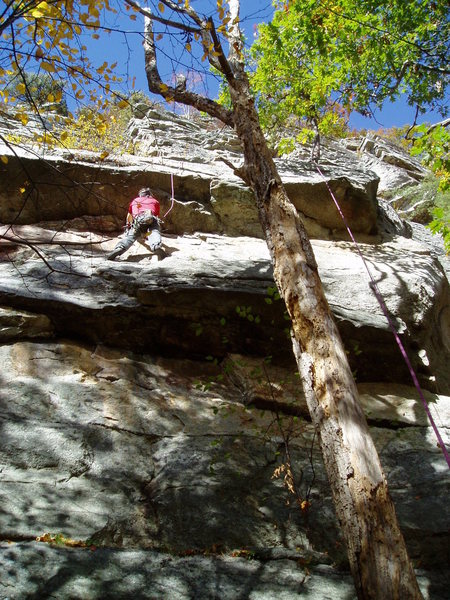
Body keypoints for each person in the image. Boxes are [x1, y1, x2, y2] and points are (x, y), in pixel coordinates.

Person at [107, 187, 162, 261]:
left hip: (138, 220)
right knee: (154, 231)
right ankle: (156, 245)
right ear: (149, 194)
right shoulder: (155, 201)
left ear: (140, 195)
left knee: (131, 236)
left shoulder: (135, 201)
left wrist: (129, 226)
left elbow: (129, 216)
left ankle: (120, 247)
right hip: (150, 218)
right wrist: (147, 234)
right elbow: (156, 216)